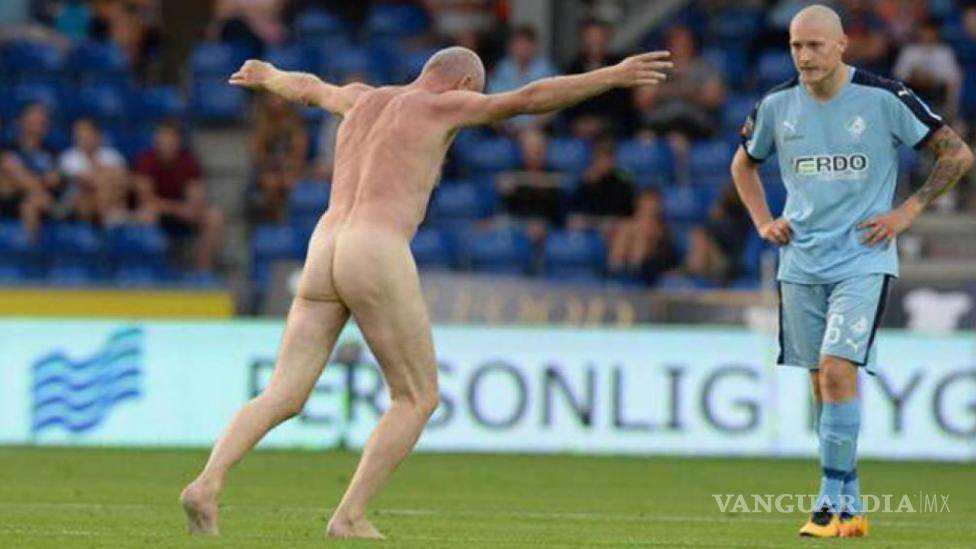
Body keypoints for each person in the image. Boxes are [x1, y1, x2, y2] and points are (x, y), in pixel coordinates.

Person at [180, 45, 671, 539]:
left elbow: (309, 88)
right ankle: (349, 516)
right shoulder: (443, 106)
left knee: (282, 392)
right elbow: (528, 99)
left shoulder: (362, 98)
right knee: (416, 397)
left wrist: (269, 75)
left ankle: (207, 482)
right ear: (464, 84)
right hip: (374, 247)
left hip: (323, 246)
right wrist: (611, 75)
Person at [730, 4, 972, 539]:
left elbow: (956, 155)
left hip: (862, 257)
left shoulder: (884, 98)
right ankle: (852, 505)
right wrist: (764, 220)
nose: (804, 55)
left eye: (815, 44)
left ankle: (826, 503)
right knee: (822, 380)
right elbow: (743, 164)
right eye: (796, 45)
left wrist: (907, 211)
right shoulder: (776, 105)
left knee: (837, 370)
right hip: (800, 262)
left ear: (842, 45)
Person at [134, 120, 224, 272]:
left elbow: (196, 202)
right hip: (163, 213)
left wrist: (181, 209)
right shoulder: (146, 160)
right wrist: (177, 209)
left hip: (182, 214)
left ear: (179, 141)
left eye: (171, 138)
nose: (167, 142)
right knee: (146, 215)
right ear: (156, 140)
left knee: (215, 217)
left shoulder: (189, 161)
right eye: (163, 137)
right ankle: (152, 270)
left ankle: (203, 271)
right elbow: (147, 199)